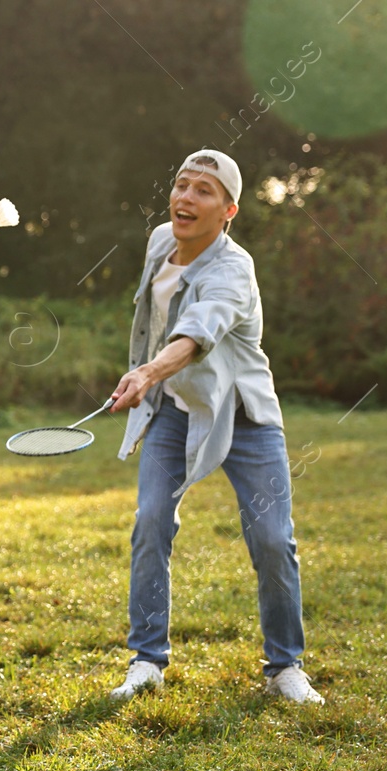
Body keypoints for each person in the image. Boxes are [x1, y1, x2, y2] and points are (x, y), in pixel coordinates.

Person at [107, 149, 323, 705]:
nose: (186, 197)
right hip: (176, 411)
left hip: (246, 415)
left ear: (228, 211)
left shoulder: (233, 269)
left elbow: (200, 329)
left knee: (273, 539)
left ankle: (285, 668)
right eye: (182, 184)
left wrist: (149, 371)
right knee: (151, 521)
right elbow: (151, 321)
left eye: (205, 190)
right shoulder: (160, 242)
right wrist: (153, 379)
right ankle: (146, 661)